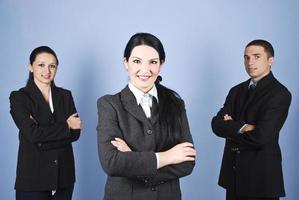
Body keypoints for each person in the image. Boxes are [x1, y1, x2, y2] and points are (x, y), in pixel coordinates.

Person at [97, 33, 196, 200]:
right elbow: (112, 163)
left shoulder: (176, 104)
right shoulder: (109, 104)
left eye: (153, 62)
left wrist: (131, 158)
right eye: (137, 61)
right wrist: (167, 157)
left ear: (161, 65)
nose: (145, 69)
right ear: (125, 63)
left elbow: (187, 162)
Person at [211, 40, 291, 200]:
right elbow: (216, 125)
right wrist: (245, 127)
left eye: (256, 56)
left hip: (261, 179)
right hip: (233, 176)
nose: (250, 62)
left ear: (270, 60)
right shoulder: (236, 91)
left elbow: (262, 136)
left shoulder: (280, 93)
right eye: (246, 57)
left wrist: (232, 127)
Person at [10, 46, 83, 200]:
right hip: (33, 178)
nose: (47, 71)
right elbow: (32, 134)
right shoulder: (19, 98)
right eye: (41, 65)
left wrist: (43, 135)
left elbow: (76, 134)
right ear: (30, 67)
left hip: (64, 177)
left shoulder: (65, 95)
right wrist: (66, 126)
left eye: (52, 66)